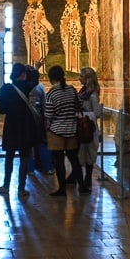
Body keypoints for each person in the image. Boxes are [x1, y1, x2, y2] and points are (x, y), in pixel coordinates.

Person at [0, 63, 39, 198]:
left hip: (11, 126)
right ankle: (21, 188)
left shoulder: (5, 89)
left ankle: (6, 185)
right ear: (23, 75)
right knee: (24, 158)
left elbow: (2, 110)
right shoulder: (27, 87)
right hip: (25, 126)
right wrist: (34, 69)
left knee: (9, 157)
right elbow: (34, 80)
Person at [44, 65, 86, 195]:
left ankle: (62, 189)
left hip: (57, 131)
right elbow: (79, 105)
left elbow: (49, 114)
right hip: (72, 129)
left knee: (59, 161)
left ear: (51, 78)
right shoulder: (71, 90)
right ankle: (82, 187)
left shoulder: (52, 93)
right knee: (74, 159)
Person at [77, 67, 102, 191]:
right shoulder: (83, 92)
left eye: (81, 76)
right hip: (82, 125)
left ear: (87, 78)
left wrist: (82, 115)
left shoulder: (92, 94)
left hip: (89, 127)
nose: (79, 78)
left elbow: (97, 112)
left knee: (89, 153)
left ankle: (87, 179)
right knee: (82, 152)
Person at [27, 62, 53, 175]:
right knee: (41, 143)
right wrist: (46, 118)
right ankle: (48, 167)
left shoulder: (23, 86)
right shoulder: (40, 87)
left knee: (28, 146)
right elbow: (44, 103)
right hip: (39, 118)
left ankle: (30, 169)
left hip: (26, 118)